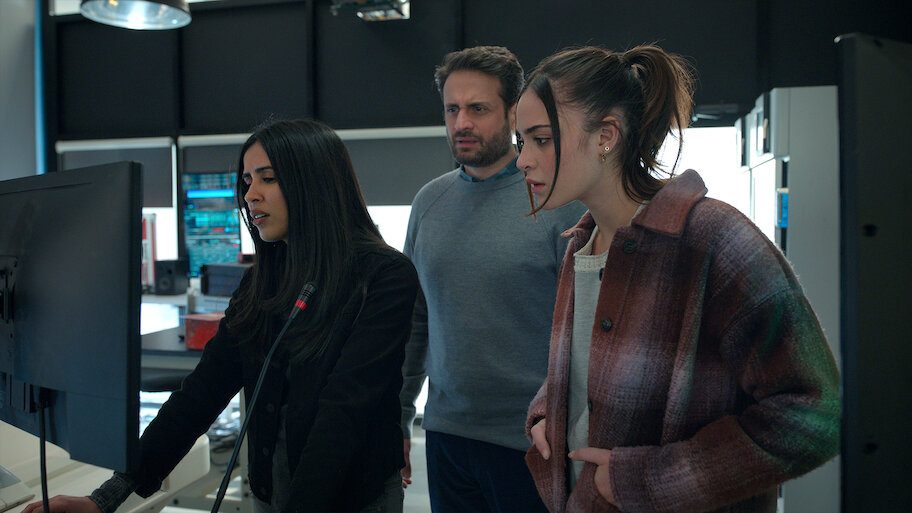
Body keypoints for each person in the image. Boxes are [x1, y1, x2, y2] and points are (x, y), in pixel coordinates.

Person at [24, 119, 419, 513]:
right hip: (272, 491)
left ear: (315, 182)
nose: (250, 195)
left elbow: (345, 411)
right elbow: (203, 390)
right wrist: (104, 499)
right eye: (247, 181)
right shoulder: (261, 283)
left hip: (350, 498)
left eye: (267, 178)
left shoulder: (383, 276)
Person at [516, 45, 840, 513]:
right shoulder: (581, 244)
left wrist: (648, 481)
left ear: (606, 136)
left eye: (541, 139)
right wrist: (549, 409)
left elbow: (813, 413)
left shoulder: (715, 240)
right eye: (521, 141)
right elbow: (595, 365)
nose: (523, 160)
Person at [399, 46, 586, 513]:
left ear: (513, 113)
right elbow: (414, 321)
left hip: (534, 442)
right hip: (446, 435)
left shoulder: (558, 200)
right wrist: (398, 416)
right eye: (452, 109)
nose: (461, 122)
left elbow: (587, 333)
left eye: (478, 109)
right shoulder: (428, 203)